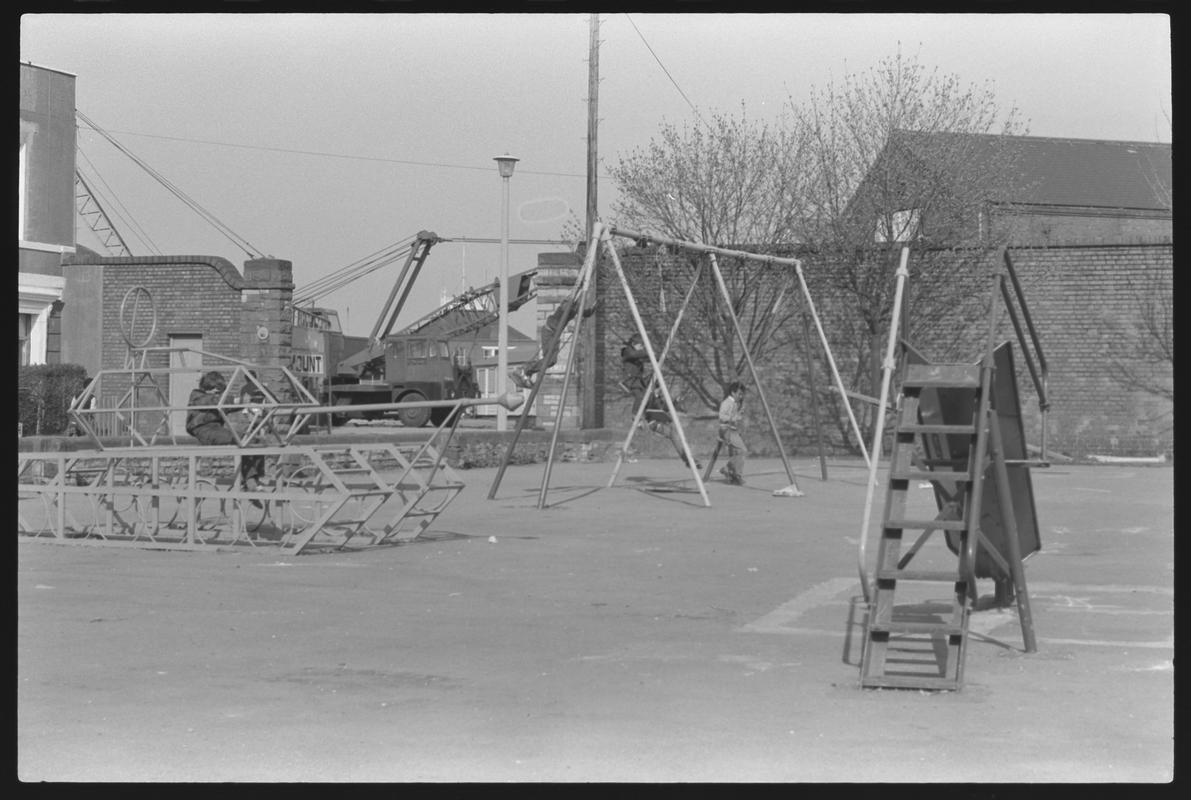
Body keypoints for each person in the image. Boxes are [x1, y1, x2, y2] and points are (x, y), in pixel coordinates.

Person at [186, 370, 266, 493]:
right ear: (207, 388)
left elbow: (226, 405)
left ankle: (255, 477)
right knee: (240, 440)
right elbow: (214, 401)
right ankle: (250, 481)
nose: (220, 395)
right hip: (204, 430)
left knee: (254, 439)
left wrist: (247, 403)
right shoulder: (197, 396)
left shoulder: (215, 399)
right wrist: (238, 400)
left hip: (217, 430)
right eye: (217, 392)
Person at [509, 294, 597, 389]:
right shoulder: (568, 305)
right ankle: (525, 370)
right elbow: (566, 305)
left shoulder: (575, 308)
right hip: (550, 332)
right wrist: (576, 297)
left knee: (550, 360)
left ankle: (526, 372)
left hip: (552, 333)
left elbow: (585, 313)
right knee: (550, 360)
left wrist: (594, 306)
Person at [718, 381, 747, 485]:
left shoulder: (735, 403)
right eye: (739, 394)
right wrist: (734, 418)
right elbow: (721, 416)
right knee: (742, 450)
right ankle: (735, 473)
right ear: (733, 392)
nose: (740, 396)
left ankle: (730, 470)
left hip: (732, 430)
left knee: (739, 452)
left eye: (742, 394)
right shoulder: (726, 403)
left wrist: (739, 414)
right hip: (726, 429)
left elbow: (735, 417)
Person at [618, 332, 649, 400]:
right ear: (633, 344)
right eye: (640, 346)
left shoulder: (638, 354)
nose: (642, 348)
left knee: (646, 397)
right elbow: (633, 355)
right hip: (630, 380)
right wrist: (648, 352)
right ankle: (636, 411)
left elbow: (646, 358)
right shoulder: (627, 351)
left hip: (637, 380)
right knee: (640, 397)